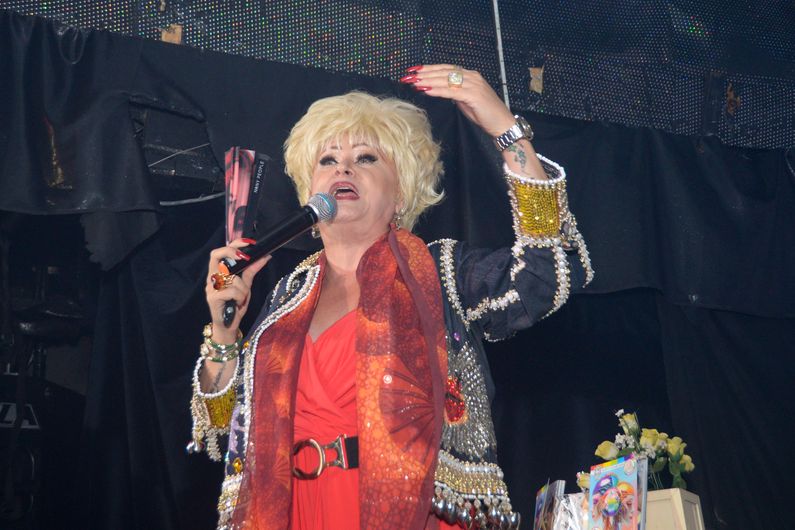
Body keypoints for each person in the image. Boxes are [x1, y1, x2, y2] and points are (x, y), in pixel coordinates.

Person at [188, 64, 593, 530]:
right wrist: (225, 330)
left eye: (366, 158)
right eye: (327, 160)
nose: (342, 167)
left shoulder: (437, 272)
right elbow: (221, 431)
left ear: (401, 193)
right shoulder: (286, 297)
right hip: (294, 511)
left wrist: (505, 129)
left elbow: (544, 273)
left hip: (408, 508)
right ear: (309, 191)